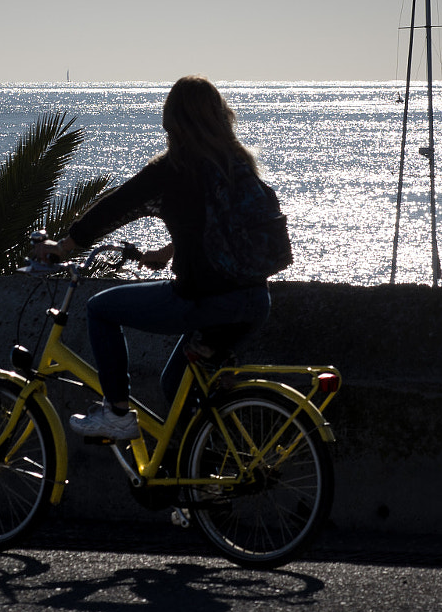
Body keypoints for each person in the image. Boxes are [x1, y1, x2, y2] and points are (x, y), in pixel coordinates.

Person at [32, 76, 274, 439]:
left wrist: (64, 247)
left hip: (205, 300)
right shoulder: (237, 164)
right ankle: (202, 473)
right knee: (175, 384)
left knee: (100, 309)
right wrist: (169, 250)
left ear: (172, 121)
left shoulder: (174, 168)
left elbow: (116, 207)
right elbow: (220, 224)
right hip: (254, 300)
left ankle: (116, 414)